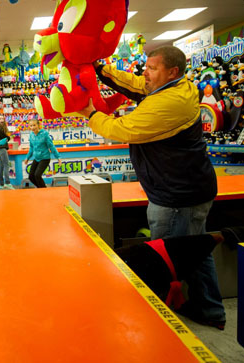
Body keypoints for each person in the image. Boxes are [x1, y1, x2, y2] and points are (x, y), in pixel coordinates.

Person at [78, 45, 226, 329]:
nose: (145, 73)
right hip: (190, 188)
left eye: (152, 68)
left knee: (166, 258)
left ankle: (164, 321)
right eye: (146, 67)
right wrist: (101, 69)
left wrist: (91, 114)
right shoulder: (174, 87)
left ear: (172, 72)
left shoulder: (169, 102)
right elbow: (136, 84)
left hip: (177, 196)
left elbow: (123, 129)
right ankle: (210, 309)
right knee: (195, 250)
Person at [23, 118, 61, 188]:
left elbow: (51, 146)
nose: (32, 127)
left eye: (34, 125)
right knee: (31, 176)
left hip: (45, 158)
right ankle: (41, 188)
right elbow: (31, 148)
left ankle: (43, 189)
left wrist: (58, 157)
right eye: (31, 126)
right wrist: (27, 158)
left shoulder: (44, 134)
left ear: (38, 125)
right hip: (36, 158)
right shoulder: (31, 135)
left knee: (37, 175)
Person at [0, 114, 14, 189]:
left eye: (2, 119)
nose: (1, 120)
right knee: (6, 165)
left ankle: (1, 184)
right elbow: (5, 138)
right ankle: (7, 183)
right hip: (2, 149)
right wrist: (8, 137)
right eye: (0, 119)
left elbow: (4, 138)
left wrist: (7, 137)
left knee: (1, 166)